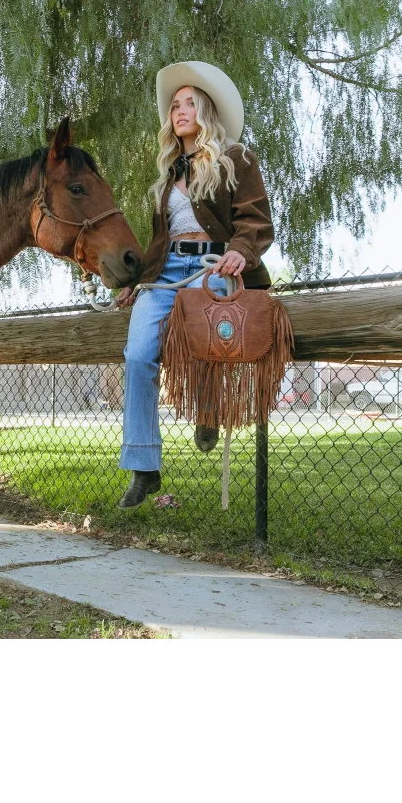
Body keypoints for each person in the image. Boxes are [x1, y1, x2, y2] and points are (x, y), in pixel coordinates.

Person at [114, 61, 275, 509]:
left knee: (205, 337)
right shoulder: (169, 175)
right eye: (174, 106)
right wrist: (135, 281)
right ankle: (144, 466)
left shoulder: (236, 158)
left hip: (214, 267)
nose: (178, 111)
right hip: (166, 273)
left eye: (188, 104)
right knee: (139, 354)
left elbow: (256, 219)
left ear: (203, 111)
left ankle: (208, 411)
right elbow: (159, 241)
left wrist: (241, 250)